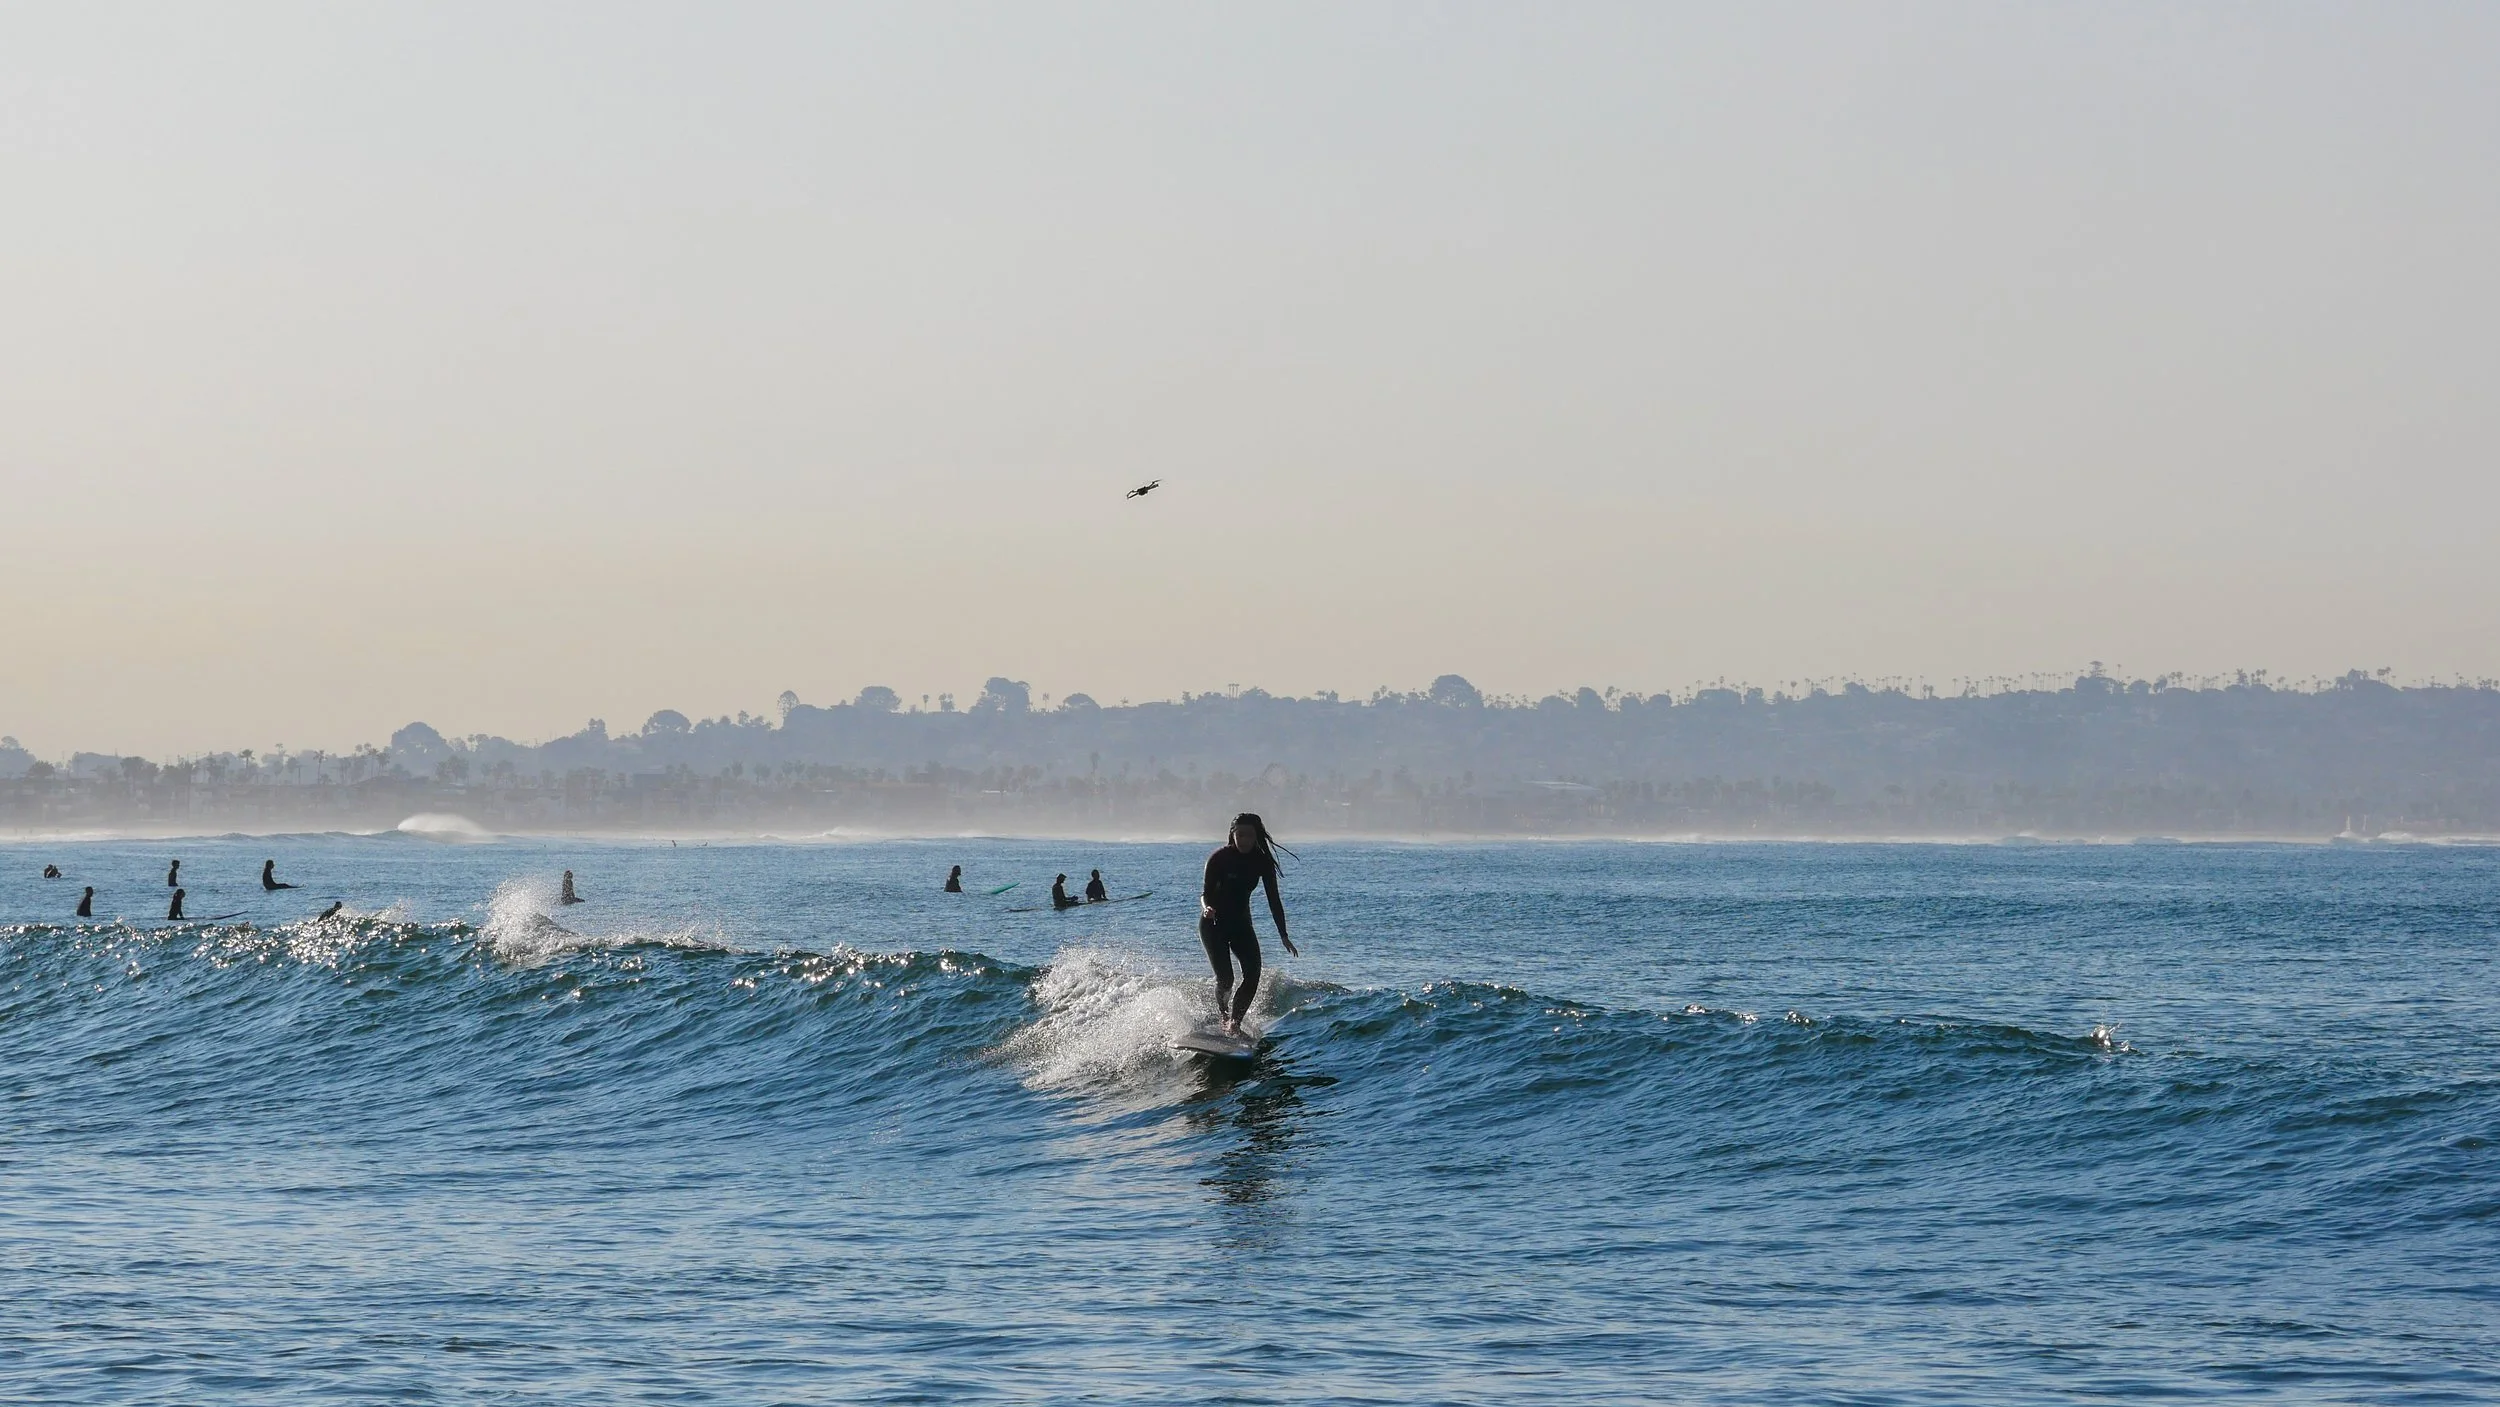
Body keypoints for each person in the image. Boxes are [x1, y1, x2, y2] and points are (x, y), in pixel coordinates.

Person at [1199, 812, 1296, 1037]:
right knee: (1226, 979)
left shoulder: (1262, 862)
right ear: (1232, 834)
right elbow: (1205, 894)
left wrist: (1283, 935)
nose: (1244, 840)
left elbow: (1274, 900)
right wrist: (1206, 908)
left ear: (1256, 836)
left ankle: (1235, 1023)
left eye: (1249, 835)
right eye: (1240, 835)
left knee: (1253, 975)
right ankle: (1224, 1016)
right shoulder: (1219, 858)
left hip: (1241, 925)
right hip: (1213, 925)